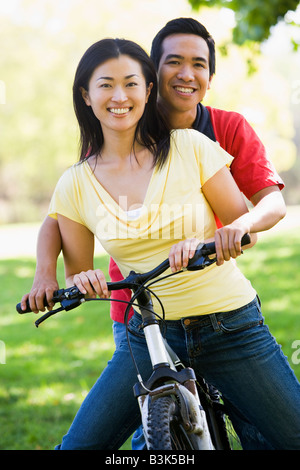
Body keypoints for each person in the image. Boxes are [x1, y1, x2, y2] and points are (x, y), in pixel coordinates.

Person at [42, 37, 300, 450]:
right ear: (86, 96)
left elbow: (242, 225)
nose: (119, 95)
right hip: (149, 335)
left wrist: (218, 238)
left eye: (131, 83)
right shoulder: (74, 184)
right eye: (106, 84)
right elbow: (77, 271)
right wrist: (81, 278)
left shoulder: (191, 147)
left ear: (148, 90)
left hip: (229, 324)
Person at [20, 18, 286, 318]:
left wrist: (241, 226)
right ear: (153, 74)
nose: (186, 74)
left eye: (199, 65)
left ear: (210, 77)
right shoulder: (119, 127)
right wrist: (45, 273)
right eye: (174, 62)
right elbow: (63, 212)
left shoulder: (225, 129)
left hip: (207, 283)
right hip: (136, 302)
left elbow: (272, 202)